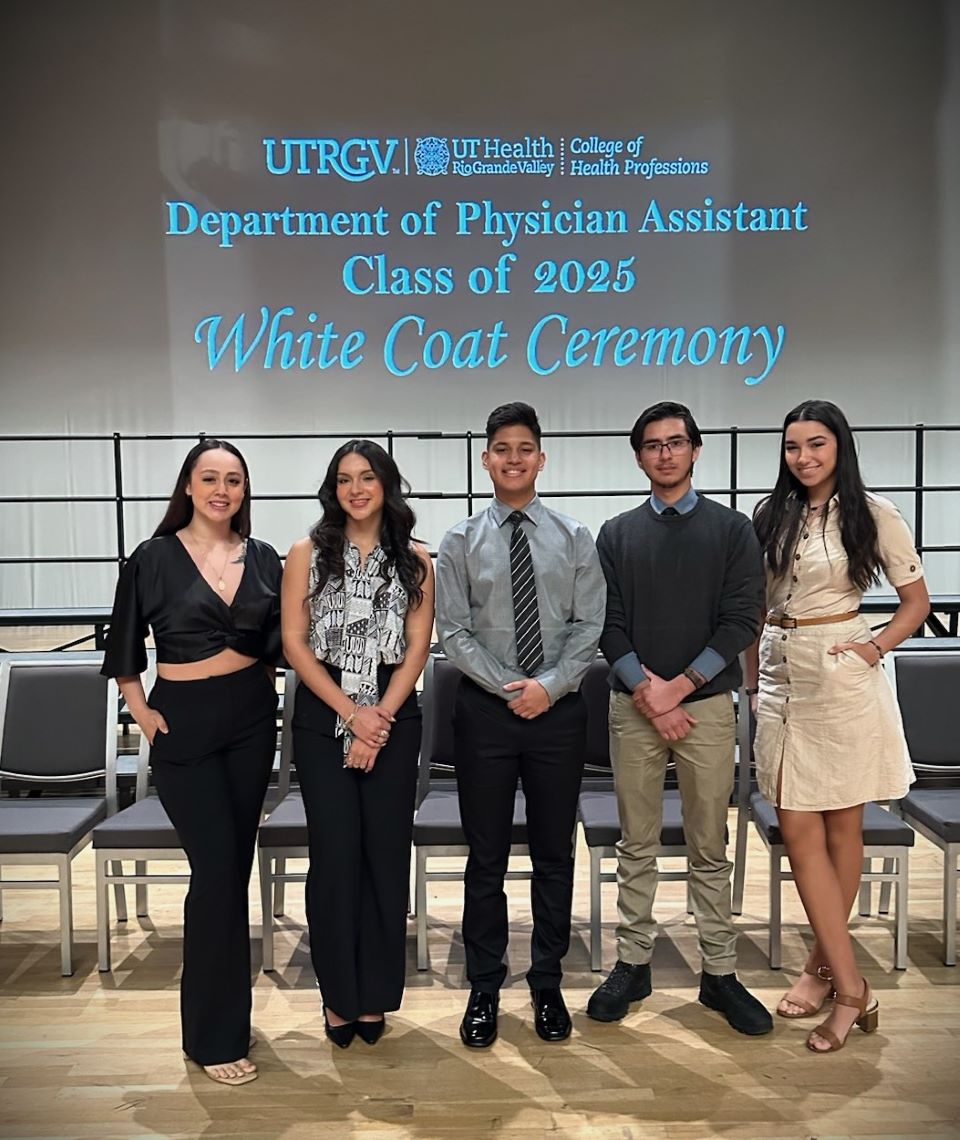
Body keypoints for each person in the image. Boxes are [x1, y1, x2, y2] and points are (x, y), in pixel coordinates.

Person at [747, 399, 929, 1053]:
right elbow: (757, 603)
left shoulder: (873, 512)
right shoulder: (769, 514)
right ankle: (846, 978)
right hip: (778, 673)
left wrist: (876, 649)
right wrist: (750, 677)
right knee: (796, 824)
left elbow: (916, 603)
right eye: (793, 446)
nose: (804, 457)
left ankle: (832, 978)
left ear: (839, 447)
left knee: (840, 825)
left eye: (816, 444)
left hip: (841, 669)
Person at [587, 401, 773, 1036]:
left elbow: (743, 618)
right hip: (635, 707)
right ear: (639, 456)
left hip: (708, 710)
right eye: (652, 445)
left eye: (676, 443)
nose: (665, 453)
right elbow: (605, 624)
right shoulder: (615, 534)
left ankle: (719, 973)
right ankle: (633, 962)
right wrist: (648, 692)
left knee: (708, 845)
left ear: (695, 451)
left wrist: (682, 688)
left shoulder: (732, 531)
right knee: (635, 842)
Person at [101, 439, 283, 1086]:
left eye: (233, 479)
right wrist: (142, 713)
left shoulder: (264, 557)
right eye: (209, 477)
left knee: (234, 873)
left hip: (251, 720)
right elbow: (124, 644)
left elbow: (278, 645)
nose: (222, 489)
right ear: (187, 486)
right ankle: (211, 1037)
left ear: (243, 491)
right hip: (181, 720)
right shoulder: (151, 558)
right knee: (213, 874)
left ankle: (223, 1021)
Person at [435, 401, 605, 1047]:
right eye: (501, 448)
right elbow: (453, 630)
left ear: (541, 457)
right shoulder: (459, 541)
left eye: (524, 448)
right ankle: (483, 986)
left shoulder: (574, 536)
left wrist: (549, 686)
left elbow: (589, 626)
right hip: (485, 713)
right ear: (486, 459)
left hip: (558, 715)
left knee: (554, 853)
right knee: (486, 856)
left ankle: (546, 982)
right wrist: (511, 688)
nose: (513, 458)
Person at [281, 440, 434, 1048]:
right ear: (333, 489)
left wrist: (380, 721)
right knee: (336, 860)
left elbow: (417, 648)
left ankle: (375, 997)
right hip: (324, 715)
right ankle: (338, 999)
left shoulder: (417, 560)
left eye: (367, 477)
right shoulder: (305, 554)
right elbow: (295, 644)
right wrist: (352, 715)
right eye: (344, 479)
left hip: (395, 721)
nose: (356, 488)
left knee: (385, 861)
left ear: (386, 484)